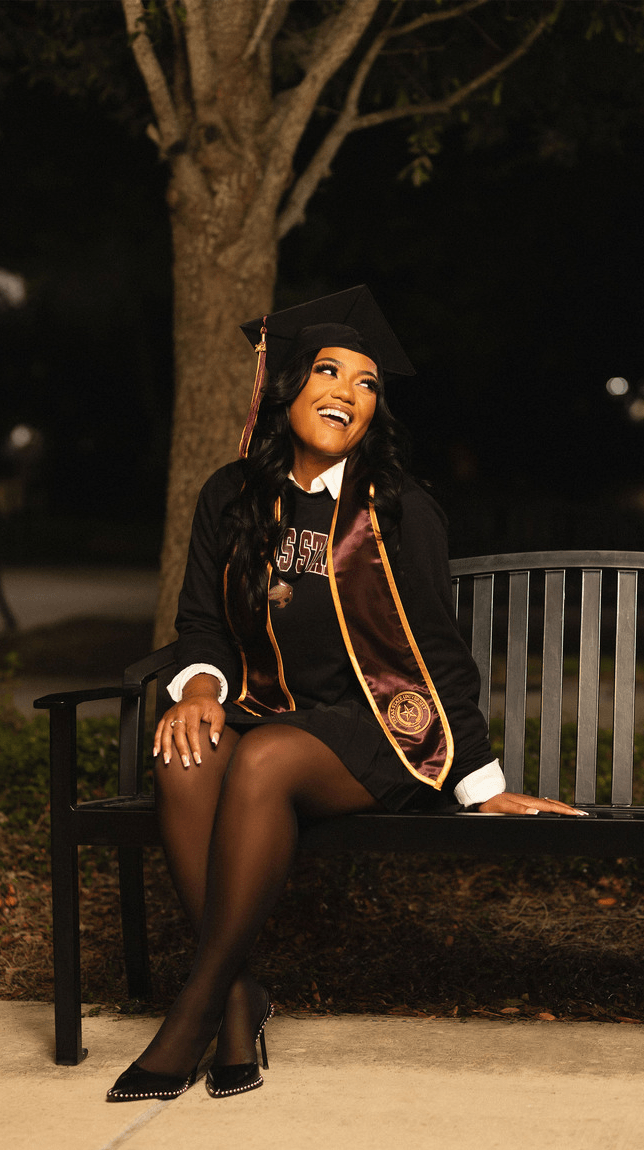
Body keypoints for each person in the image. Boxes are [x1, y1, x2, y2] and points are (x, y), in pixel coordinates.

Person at [106, 286, 583, 1104]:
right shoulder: (232, 496)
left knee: (260, 759)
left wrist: (482, 785)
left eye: (367, 384)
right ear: (288, 384)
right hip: (263, 712)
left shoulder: (399, 511)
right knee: (186, 759)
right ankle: (238, 999)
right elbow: (200, 624)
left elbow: (438, 651)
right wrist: (200, 690)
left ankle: (194, 1009)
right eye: (329, 371)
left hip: (377, 734)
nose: (348, 394)